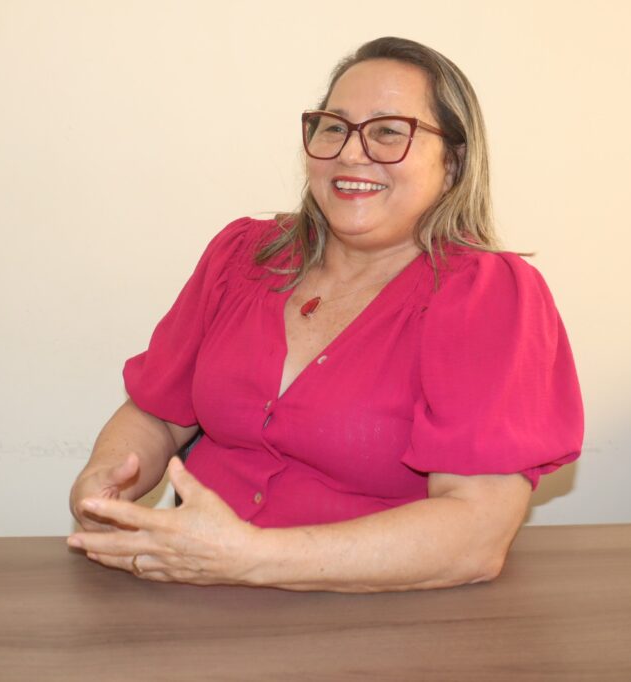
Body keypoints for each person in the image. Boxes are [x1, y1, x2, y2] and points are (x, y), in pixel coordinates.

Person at [67, 36, 583, 592]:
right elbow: (157, 415)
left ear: (452, 163)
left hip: (375, 613)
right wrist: (104, 482)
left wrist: (248, 557)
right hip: (190, 590)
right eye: (334, 127)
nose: (350, 153)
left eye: (389, 131)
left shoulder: (488, 296)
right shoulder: (242, 255)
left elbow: (475, 537)